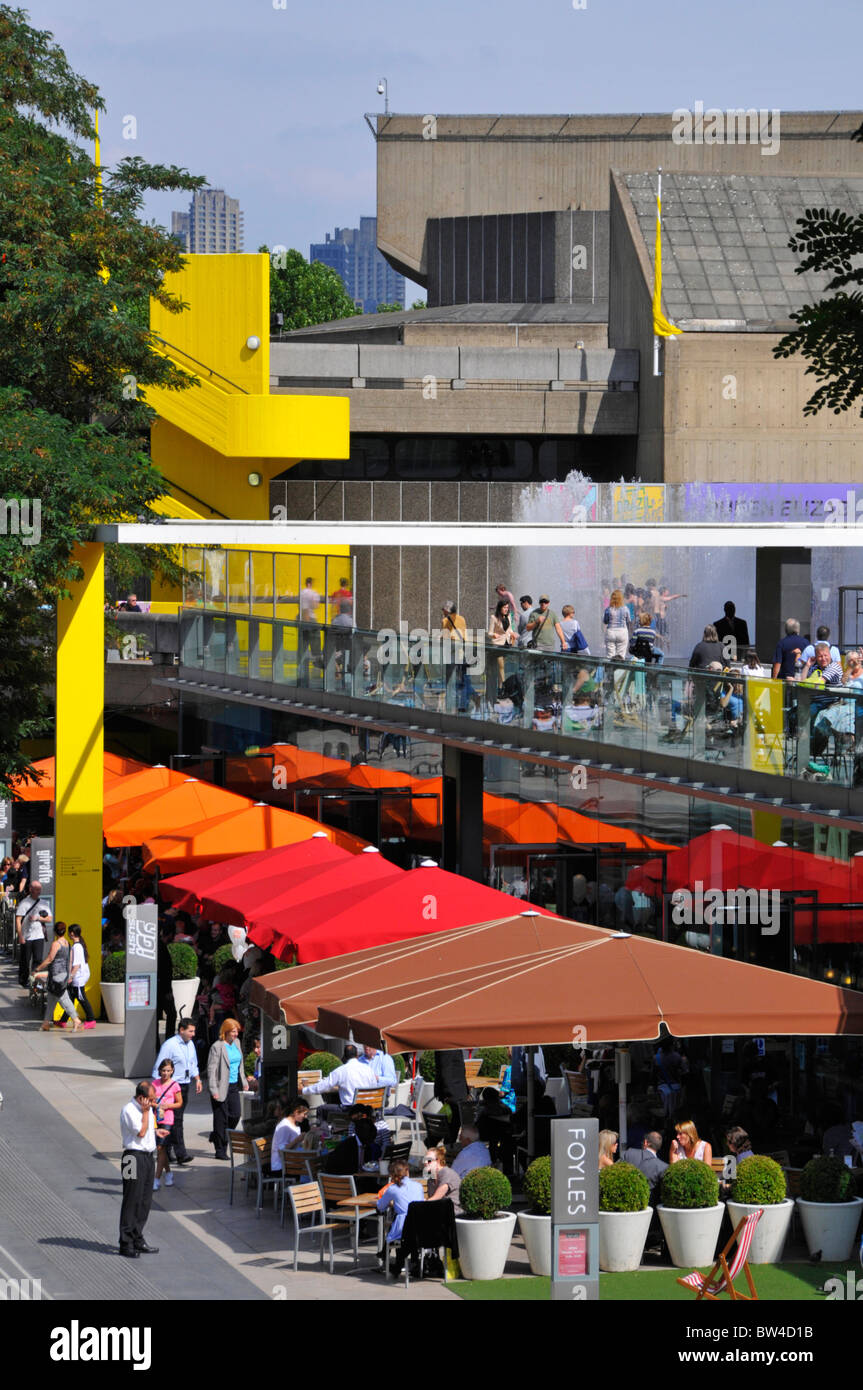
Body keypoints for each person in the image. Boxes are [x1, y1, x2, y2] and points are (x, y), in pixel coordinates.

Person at [119, 1080, 166, 1257]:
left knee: (145, 1200)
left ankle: (137, 1237)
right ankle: (126, 1242)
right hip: (132, 1158)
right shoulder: (129, 1110)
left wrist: (156, 1132)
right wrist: (146, 1113)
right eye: (151, 1099)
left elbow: (147, 1131)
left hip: (147, 1157)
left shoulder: (148, 1110)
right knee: (132, 1199)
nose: (154, 1102)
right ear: (141, 1098)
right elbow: (139, 1131)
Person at [152, 1018, 202, 1164]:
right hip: (171, 1087)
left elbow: (193, 1064)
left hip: (184, 1086)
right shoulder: (170, 1045)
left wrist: (197, 1079)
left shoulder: (190, 1044)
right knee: (174, 1120)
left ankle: (169, 1151)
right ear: (181, 1030)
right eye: (190, 1031)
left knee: (174, 1120)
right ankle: (179, 1153)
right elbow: (158, 1068)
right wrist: (158, 1090)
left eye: (194, 1031)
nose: (193, 1034)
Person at [206, 1018, 249, 1160]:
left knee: (235, 1114)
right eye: (233, 1032)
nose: (236, 1034)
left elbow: (240, 1064)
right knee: (221, 1119)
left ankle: (217, 1135)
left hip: (233, 1085)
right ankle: (220, 1149)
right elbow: (211, 1071)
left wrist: (243, 1080)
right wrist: (213, 1090)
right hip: (220, 1087)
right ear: (226, 1032)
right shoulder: (217, 1047)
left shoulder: (236, 1043)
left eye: (237, 1031)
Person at [33, 922, 84, 1032]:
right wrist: (69, 975)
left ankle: (76, 1019)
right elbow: (69, 960)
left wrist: (38, 969)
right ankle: (46, 1023)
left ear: (55, 932)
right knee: (51, 999)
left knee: (64, 999)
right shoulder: (67, 943)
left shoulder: (56, 944)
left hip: (56, 976)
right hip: (63, 975)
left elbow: (50, 959)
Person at [376, 1158, 424, 1272]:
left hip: (404, 1227)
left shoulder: (392, 1189)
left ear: (392, 1175)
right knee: (398, 1219)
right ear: (407, 1172)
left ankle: (388, 1258)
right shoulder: (418, 1186)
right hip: (420, 1226)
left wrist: (391, 1203)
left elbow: (380, 1207)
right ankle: (400, 1260)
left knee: (395, 1222)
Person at [301, 1044, 378, 1107]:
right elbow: (374, 1086)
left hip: (350, 1110)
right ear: (357, 1055)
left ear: (345, 1056)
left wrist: (304, 1090)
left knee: (321, 1109)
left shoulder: (340, 1071)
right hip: (368, 1108)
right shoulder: (369, 1069)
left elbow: (323, 1086)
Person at [152, 1058, 183, 1190]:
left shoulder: (175, 1085)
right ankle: (169, 1173)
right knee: (162, 1149)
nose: (166, 1073)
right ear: (159, 1071)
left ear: (172, 1071)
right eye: (164, 1070)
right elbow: (150, 1100)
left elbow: (179, 1102)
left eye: (168, 1070)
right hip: (155, 1119)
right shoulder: (154, 1084)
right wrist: (157, 1105)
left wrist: (168, 1106)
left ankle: (156, 1179)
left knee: (160, 1148)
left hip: (168, 1120)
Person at [16, 879, 49, 987]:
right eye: (36, 889)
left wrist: (38, 918)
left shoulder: (44, 903)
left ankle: (34, 980)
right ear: (31, 889)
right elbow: (18, 920)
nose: (39, 892)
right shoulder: (24, 902)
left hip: (39, 936)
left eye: (40, 889)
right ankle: (23, 980)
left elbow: (49, 918)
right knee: (25, 960)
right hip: (26, 936)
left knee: (38, 959)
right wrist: (20, 936)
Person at [622, 1131, 668, 1201]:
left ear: (646, 1142)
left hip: (625, 1202)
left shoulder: (630, 1153)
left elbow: (615, 1169)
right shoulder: (663, 1167)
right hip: (649, 1207)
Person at [65, 924, 96, 1028]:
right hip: (77, 977)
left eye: (69, 932)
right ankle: (63, 1020)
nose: (68, 934)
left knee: (82, 999)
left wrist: (70, 977)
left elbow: (76, 965)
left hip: (78, 978)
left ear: (72, 933)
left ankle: (91, 1020)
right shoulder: (77, 945)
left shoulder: (77, 947)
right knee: (71, 998)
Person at [434, 1049, 469, 1141]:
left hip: (457, 1089)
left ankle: (436, 1139)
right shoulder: (447, 1048)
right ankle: (442, 1142)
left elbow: (460, 1069)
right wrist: (448, 1094)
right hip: (453, 1091)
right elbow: (445, 1070)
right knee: (453, 1122)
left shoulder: (453, 1046)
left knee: (452, 1121)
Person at [271, 1096, 310, 1172]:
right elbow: (281, 1150)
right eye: (304, 1114)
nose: (306, 1117)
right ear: (296, 1112)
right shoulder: (284, 1126)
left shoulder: (294, 1124)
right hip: (281, 1166)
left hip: (290, 1161)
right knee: (311, 1167)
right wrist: (297, 1140)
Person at [424, 1143, 462, 1214]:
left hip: (454, 1214)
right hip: (440, 1212)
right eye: (425, 1160)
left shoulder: (446, 1173)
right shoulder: (431, 1177)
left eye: (429, 1160)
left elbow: (436, 1197)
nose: (425, 1162)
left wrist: (419, 1205)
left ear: (437, 1161)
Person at [603, 588, 630, 660]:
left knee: (610, 657)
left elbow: (605, 621)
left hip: (611, 632)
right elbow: (628, 621)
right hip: (622, 632)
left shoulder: (608, 609)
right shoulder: (625, 609)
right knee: (621, 656)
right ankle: (619, 670)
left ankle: (609, 670)